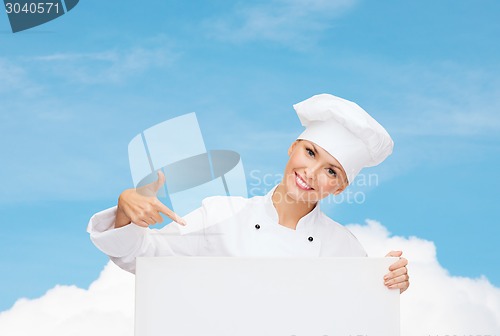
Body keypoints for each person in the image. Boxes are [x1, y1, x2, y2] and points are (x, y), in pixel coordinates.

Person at [87, 94, 410, 293]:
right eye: (310, 153)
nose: (311, 173)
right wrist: (125, 210)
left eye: (331, 170)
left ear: (340, 186)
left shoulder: (345, 248)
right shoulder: (220, 214)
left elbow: (357, 322)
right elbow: (140, 258)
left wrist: (388, 284)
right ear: (293, 147)